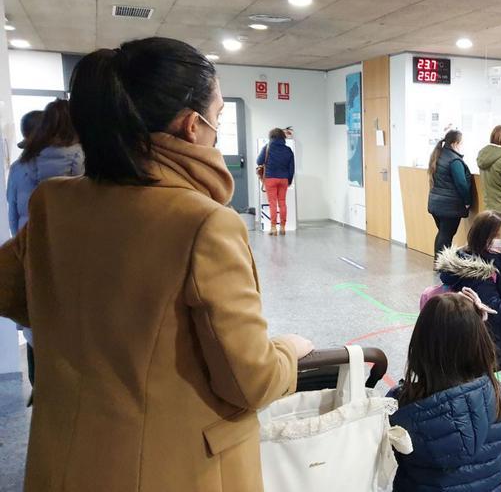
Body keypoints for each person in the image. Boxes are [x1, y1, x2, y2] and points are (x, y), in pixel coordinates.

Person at [0, 37, 313, 492]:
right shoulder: (203, 223)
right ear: (192, 126)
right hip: (171, 469)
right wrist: (288, 348)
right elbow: (251, 381)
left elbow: (15, 292)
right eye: (219, 118)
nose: (217, 130)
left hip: (63, 458)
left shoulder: (53, 204)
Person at [388, 292, 501, 492]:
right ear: (480, 344)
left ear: (420, 345)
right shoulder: (500, 396)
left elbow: (387, 456)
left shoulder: (400, 402)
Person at [7, 101, 83, 404]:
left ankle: (43, 391)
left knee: (35, 323)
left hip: (33, 256)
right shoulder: (87, 162)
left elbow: (13, 218)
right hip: (78, 260)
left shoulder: (20, 167)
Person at [435, 210, 501, 370]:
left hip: (472, 338)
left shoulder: (477, 257)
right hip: (480, 340)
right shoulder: (482, 272)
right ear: (481, 236)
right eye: (495, 236)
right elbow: (496, 311)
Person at [427, 130, 472, 260]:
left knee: (442, 233)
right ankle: (442, 264)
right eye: (461, 143)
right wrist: (467, 201)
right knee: (446, 235)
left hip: (436, 203)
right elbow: (462, 184)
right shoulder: (454, 160)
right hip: (450, 206)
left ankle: (438, 262)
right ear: (455, 143)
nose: (462, 146)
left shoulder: (438, 155)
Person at [257, 128, 295, 236]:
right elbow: (291, 168)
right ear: (283, 137)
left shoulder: (267, 147)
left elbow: (259, 161)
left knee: (272, 202)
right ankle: (283, 227)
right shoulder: (288, 150)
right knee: (282, 202)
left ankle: (273, 228)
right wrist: (289, 180)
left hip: (270, 178)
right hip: (283, 179)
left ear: (271, 137)